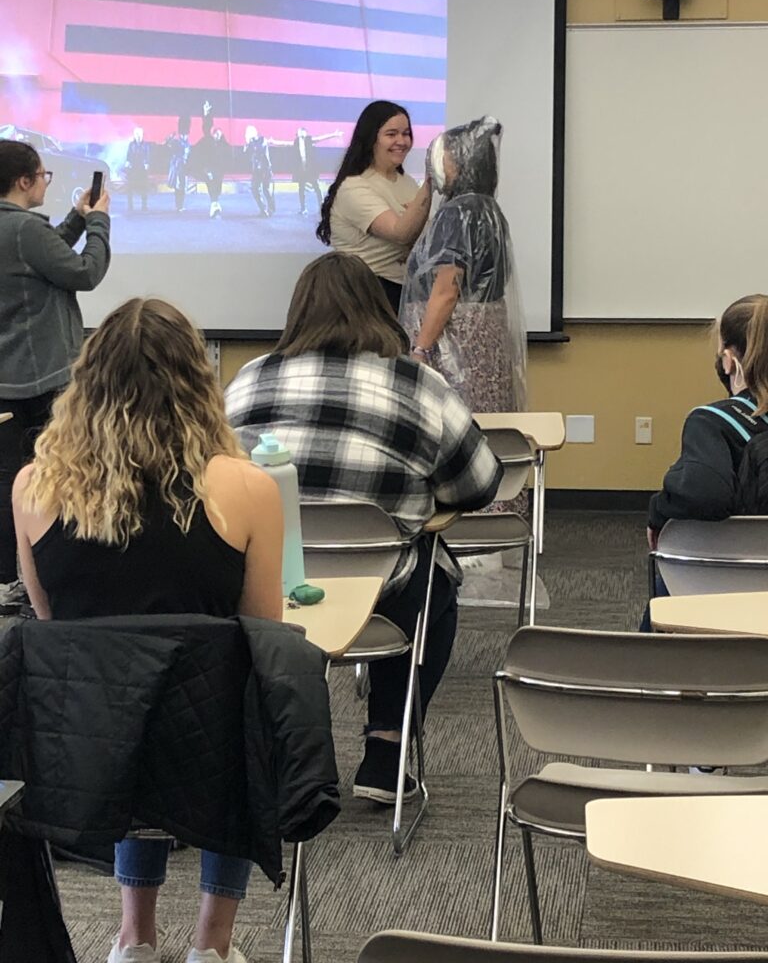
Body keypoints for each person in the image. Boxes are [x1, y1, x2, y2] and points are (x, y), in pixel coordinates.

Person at [12, 297, 284, 963]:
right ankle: (213, 944)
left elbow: (52, 627)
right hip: (212, 753)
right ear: (199, 382)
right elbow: (264, 630)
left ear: (87, 385)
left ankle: (134, 938)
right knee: (247, 693)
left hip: (88, 749)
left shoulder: (34, 487)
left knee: (130, 686)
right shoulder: (248, 488)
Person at [225, 251, 502, 803]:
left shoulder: (247, 380)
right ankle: (385, 751)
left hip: (267, 590)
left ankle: (279, 750)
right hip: (381, 594)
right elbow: (480, 485)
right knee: (436, 579)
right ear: (380, 311)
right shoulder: (418, 384)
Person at [0, 138, 110, 615]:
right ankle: (46, 579)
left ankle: (10, 580)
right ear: (24, 181)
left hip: (9, 378)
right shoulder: (24, 229)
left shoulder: (17, 230)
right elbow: (85, 272)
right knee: (56, 479)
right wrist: (100, 222)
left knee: (10, 482)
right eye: (43, 176)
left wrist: (74, 221)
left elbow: (42, 259)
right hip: (43, 379)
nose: (46, 181)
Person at [641, 294, 768, 630]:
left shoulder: (711, 422)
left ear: (729, 360)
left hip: (724, 596)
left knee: (675, 565)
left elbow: (702, 493)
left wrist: (658, 513)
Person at [399, 116, 527, 416]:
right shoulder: (488, 209)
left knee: (453, 423)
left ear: (463, 162)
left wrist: (420, 349)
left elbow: (447, 288)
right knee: (487, 424)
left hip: (457, 345)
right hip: (486, 339)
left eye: (443, 158)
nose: (436, 166)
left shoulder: (458, 213)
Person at [316, 101, 431, 315]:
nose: (401, 141)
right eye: (391, 134)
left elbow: (423, 235)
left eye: (406, 133)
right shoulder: (354, 186)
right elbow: (401, 233)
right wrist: (431, 181)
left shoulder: (405, 182)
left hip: (404, 290)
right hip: (367, 295)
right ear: (371, 139)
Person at [270, 126, 341, 217]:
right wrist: (273, 142)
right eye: (299, 131)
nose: (300, 133)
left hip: (310, 170)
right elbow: (285, 144)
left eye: (302, 131)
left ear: (305, 133)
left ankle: (322, 206)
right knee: (301, 189)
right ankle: (303, 208)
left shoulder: (309, 140)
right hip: (301, 171)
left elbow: (321, 138)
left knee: (317, 188)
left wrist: (334, 134)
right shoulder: (296, 142)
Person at [243, 125, 274, 217]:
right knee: (255, 189)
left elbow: (259, 149)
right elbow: (246, 155)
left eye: (248, 132)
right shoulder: (250, 144)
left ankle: (271, 208)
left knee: (266, 190)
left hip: (265, 169)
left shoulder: (262, 140)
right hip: (256, 170)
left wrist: (251, 143)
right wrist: (247, 146)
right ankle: (263, 209)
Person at [166, 116, 191, 213]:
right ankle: (178, 205)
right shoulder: (176, 142)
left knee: (183, 187)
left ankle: (181, 205)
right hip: (177, 166)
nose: (185, 136)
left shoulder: (188, 143)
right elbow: (167, 144)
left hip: (185, 167)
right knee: (178, 186)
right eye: (184, 134)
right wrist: (170, 137)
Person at [125, 126, 150, 213]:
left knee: (144, 188)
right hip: (133, 169)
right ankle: (130, 206)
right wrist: (128, 163)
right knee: (130, 188)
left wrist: (147, 163)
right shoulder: (131, 145)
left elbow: (148, 155)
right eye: (136, 134)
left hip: (142, 169)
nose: (138, 136)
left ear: (142, 135)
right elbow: (128, 155)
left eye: (140, 134)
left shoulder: (146, 145)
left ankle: (144, 206)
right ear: (134, 135)